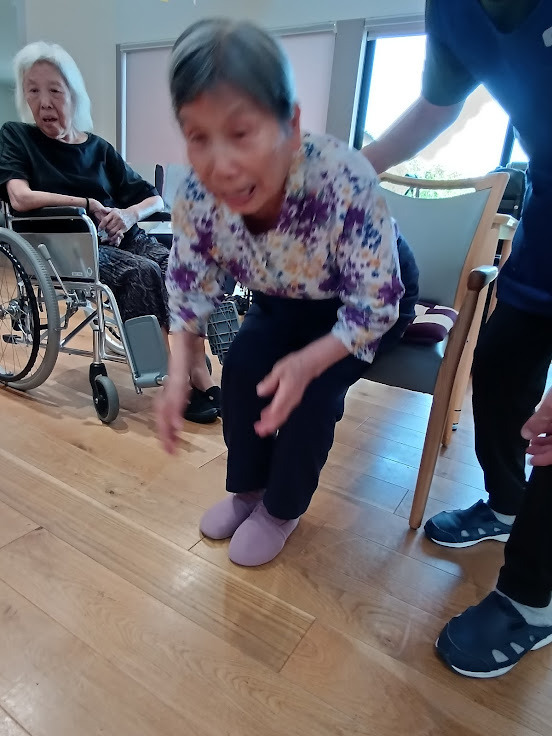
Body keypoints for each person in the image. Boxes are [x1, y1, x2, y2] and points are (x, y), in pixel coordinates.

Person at [155, 18, 418, 567]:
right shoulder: (198, 195)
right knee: (242, 368)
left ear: (290, 126)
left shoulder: (343, 178)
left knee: (312, 394)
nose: (221, 164)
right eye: (198, 137)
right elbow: (188, 281)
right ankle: (248, 491)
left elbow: (376, 302)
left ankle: (280, 509)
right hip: (281, 297)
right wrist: (180, 367)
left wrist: (309, 362)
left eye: (241, 133)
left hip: (363, 300)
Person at [363, 0, 552, 677]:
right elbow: (436, 106)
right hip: (546, 228)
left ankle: (530, 599)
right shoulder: (452, 11)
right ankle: (506, 501)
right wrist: (349, 166)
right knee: (498, 369)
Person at [0, 41, 219, 423]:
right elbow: (19, 197)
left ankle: (197, 369)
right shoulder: (17, 137)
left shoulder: (99, 149)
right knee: (141, 273)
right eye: (33, 90)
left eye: (55, 90)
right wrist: (86, 203)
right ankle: (170, 380)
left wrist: (128, 215)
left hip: (120, 236)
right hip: (67, 246)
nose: (44, 102)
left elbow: (154, 198)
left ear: (74, 94)